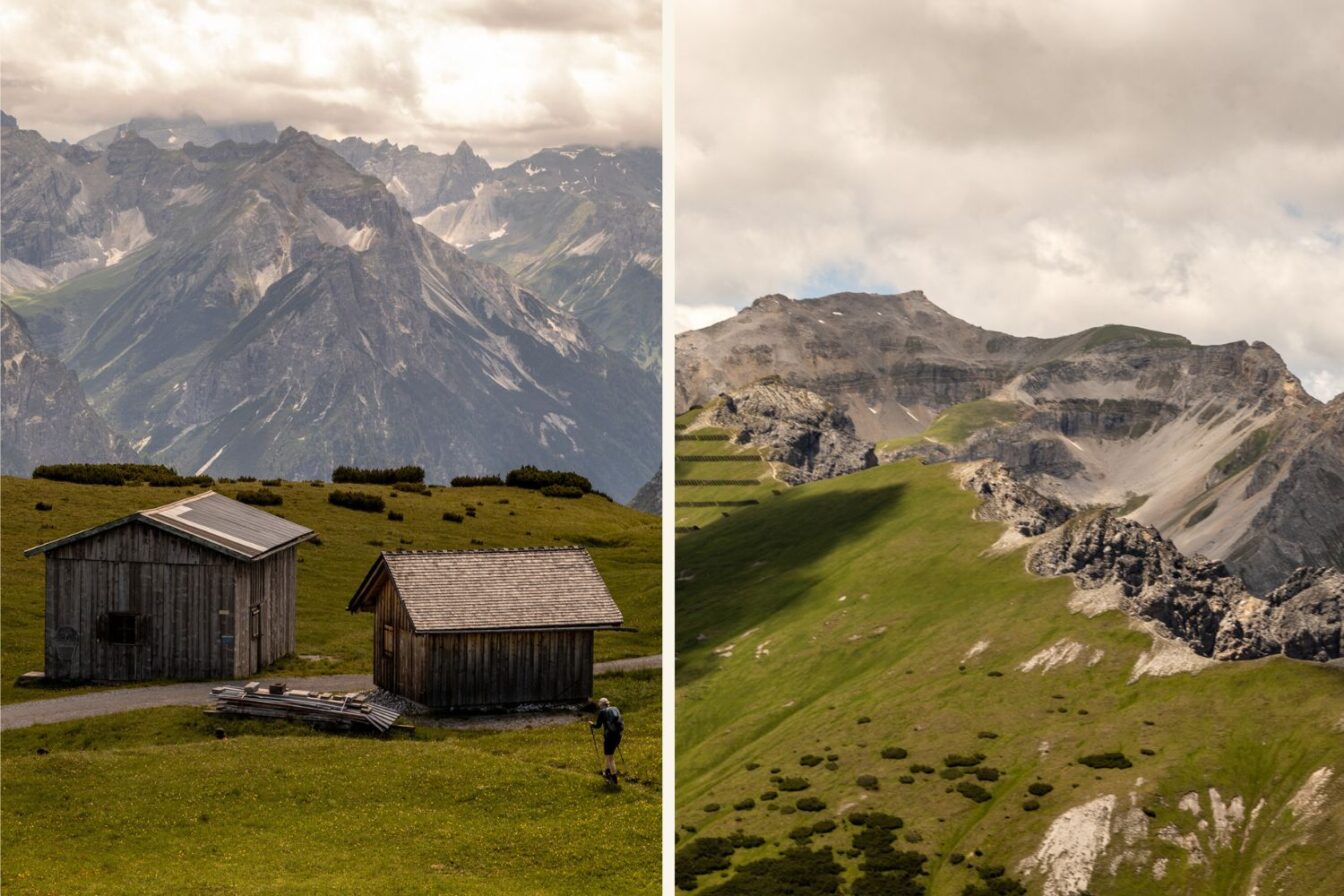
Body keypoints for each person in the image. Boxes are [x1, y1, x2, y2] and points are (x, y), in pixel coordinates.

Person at [591, 697, 623, 782]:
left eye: (599, 703)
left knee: (610, 757)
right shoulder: (615, 709)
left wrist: (592, 724)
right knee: (608, 754)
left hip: (609, 736)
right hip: (618, 735)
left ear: (601, 704)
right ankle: (607, 771)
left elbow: (598, 726)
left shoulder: (602, 712)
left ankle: (613, 777)